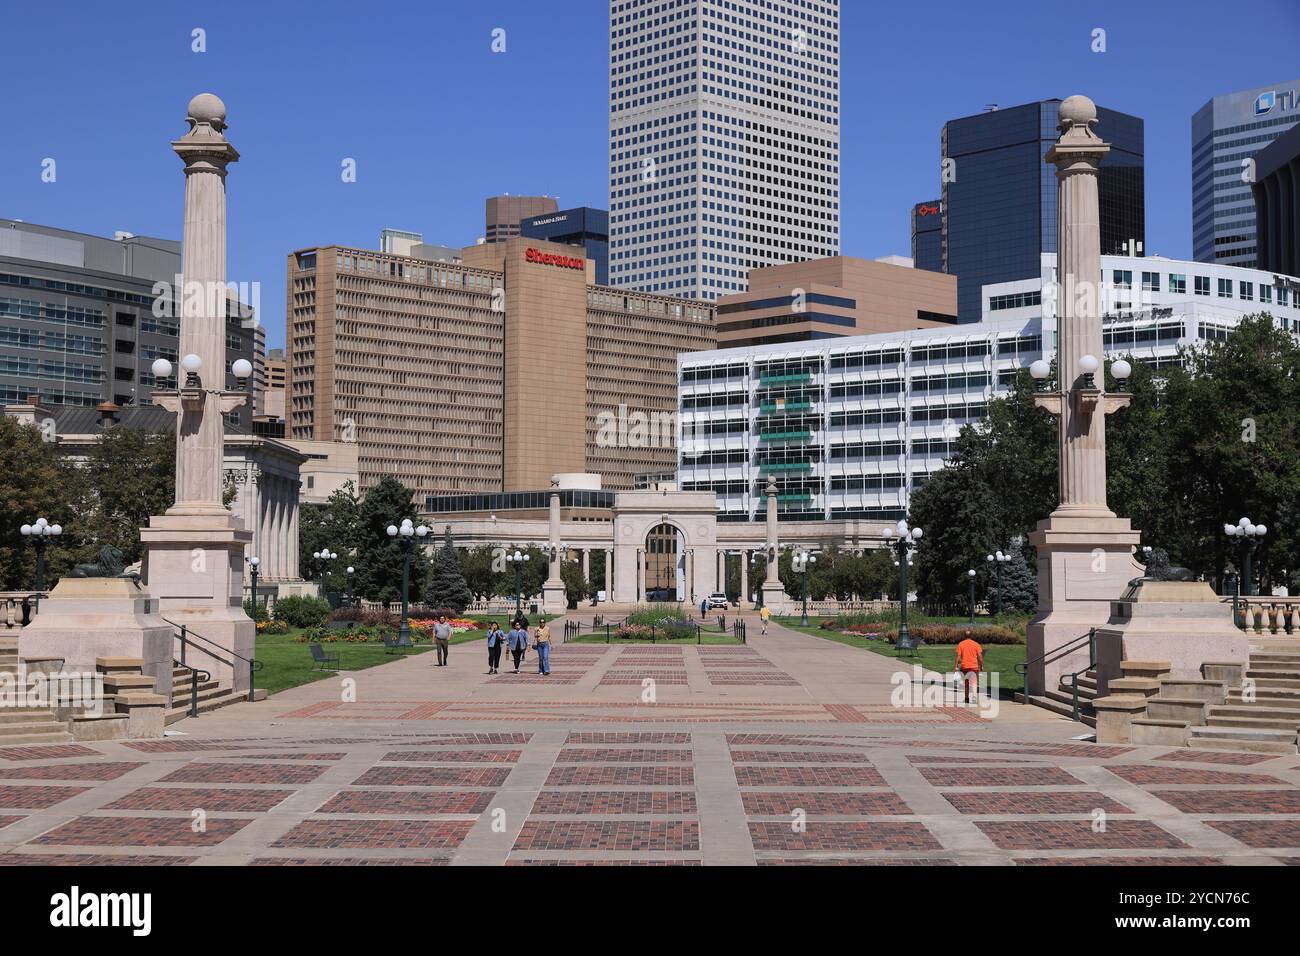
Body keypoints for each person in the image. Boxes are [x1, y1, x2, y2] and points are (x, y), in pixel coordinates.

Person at [954, 629, 984, 704]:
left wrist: (956, 665)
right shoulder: (976, 644)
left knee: (966, 682)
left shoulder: (961, 644)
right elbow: (980, 656)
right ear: (971, 636)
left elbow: (958, 656)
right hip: (974, 666)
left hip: (964, 666)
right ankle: (974, 696)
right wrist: (981, 666)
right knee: (974, 682)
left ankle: (966, 698)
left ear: (964, 636)